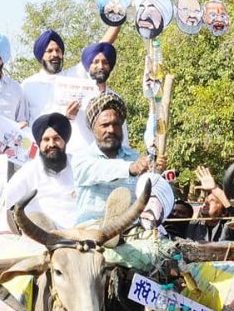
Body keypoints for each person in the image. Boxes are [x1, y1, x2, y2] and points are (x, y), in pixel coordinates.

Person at [71, 92, 165, 223]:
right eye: (105, 125)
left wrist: (156, 174)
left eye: (116, 124)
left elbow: (151, 195)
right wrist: (130, 168)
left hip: (129, 232)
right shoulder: (81, 159)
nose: (111, 130)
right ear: (93, 129)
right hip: (91, 232)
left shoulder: (135, 157)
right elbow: (102, 170)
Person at [21, 27, 119, 124]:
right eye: (49, 51)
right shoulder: (27, 85)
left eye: (58, 50)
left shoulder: (73, 75)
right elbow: (21, 120)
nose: (55, 54)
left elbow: (99, 48)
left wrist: (116, 21)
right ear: (41, 55)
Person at [4, 113, 77, 229]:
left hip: (79, 236)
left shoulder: (79, 165)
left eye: (57, 138)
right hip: (41, 239)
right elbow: (2, 201)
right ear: (39, 143)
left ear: (65, 141)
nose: (51, 144)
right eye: (46, 139)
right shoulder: (29, 171)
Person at [68, 42, 129, 154]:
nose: (100, 66)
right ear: (88, 66)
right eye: (95, 62)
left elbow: (122, 134)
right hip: (79, 157)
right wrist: (69, 116)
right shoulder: (75, 95)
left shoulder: (116, 99)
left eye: (105, 62)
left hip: (109, 159)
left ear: (110, 67)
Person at [184, 165, 233, 242]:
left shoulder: (230, 226)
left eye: (212, 201)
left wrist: (214, 189)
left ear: (224, 212)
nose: (206, 203)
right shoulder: (193, 225)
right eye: (205, 200)